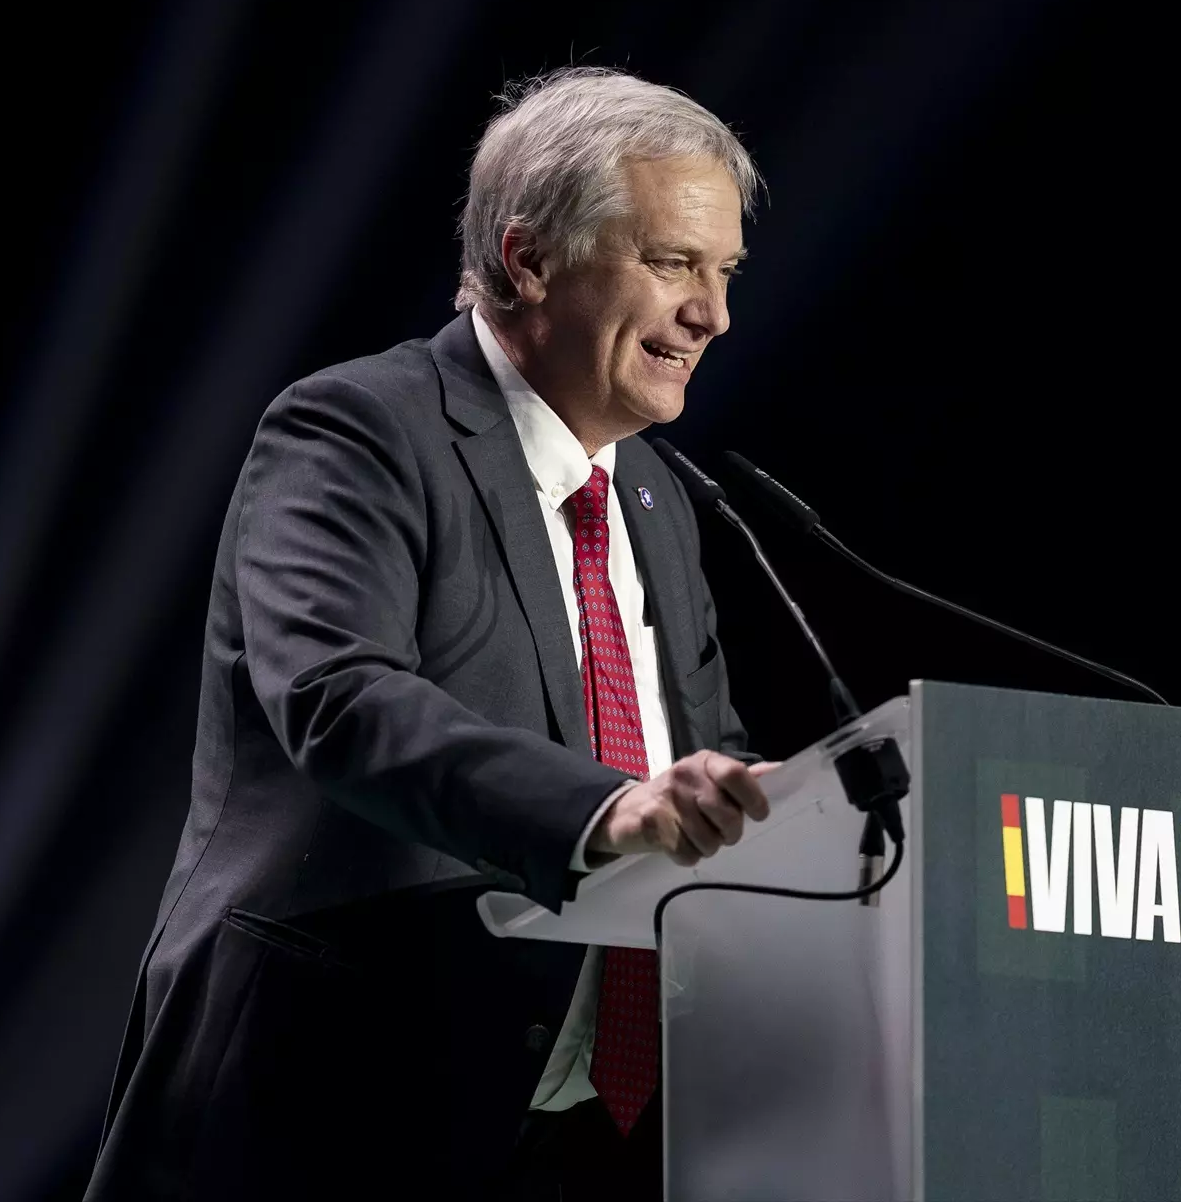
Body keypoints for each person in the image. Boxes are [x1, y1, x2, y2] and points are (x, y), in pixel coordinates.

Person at [85, 67, 772, 1200]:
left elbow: (694, 746)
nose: (714, 312)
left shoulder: (655, 496)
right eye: (671, 262)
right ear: (528, 258)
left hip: (558, 1124)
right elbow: (339, 697)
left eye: (725, 271)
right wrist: (604, 806)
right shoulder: (356, 427)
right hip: (323, 1092)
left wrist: (797, 812)